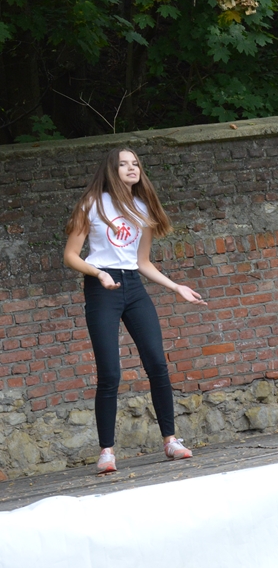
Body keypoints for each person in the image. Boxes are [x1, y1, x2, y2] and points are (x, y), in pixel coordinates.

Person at [64, 149, 205, 473]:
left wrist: (176, 287)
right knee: (110, 373)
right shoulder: (93, 204)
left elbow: (142, 262)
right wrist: (98, 273)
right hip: (102, 287)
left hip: (133, 287)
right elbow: (70, 255)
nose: (132, 168)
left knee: (157, 363)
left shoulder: (143, 207)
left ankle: (170, 440)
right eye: (124, 164)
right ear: (111, 170)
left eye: (136, 163)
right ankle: (107, 451)